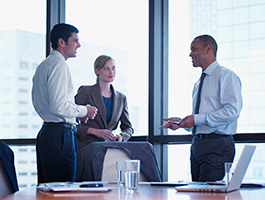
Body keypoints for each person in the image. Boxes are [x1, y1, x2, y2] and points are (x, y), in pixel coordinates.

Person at [159, 34, 243, 182]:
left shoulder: (226, 76)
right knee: (197, 193)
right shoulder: (198, 83)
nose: (190, 54)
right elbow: (201, 120)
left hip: (217, 146)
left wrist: (196, 118)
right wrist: (182, 123)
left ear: (207, 49)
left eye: (194, 49)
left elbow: (232, 112)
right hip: (197, 145)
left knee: (207, 195)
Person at [32, 23, 98, 184]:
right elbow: (59, 106)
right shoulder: (59, 65)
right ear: (62, 42)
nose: (79, 45)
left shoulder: (44, 65)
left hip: (48, 134)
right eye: (75, 41)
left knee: (48, 190)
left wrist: (74, 116)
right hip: (60, 137)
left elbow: (45, 104)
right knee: (63, 190)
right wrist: (85, 111)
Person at [75, 55, 134, 151]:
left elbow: (128, 128)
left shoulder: (121, 98)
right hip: (85, 148)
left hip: (109, 149)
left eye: (113, 68)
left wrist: (122, 136)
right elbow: (71, 122)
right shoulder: (85, 91)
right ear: (96, 71)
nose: (111, 72)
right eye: (106, 69)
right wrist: (95, 131)